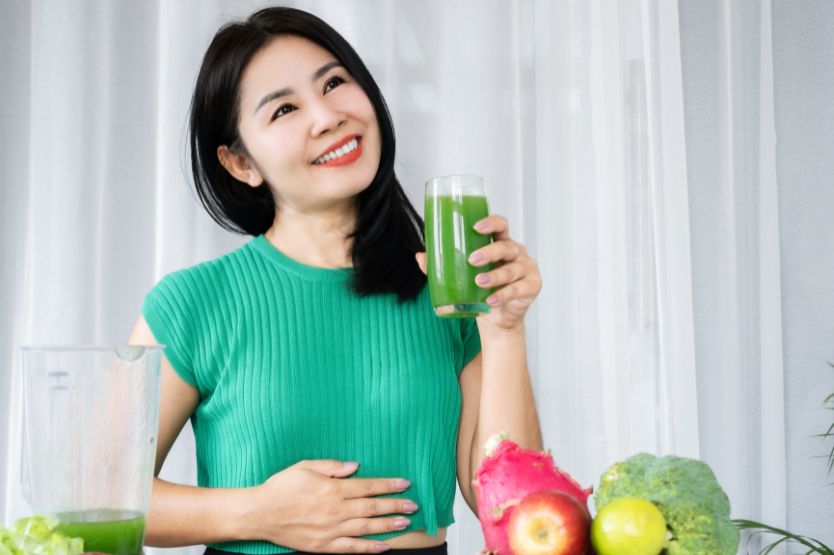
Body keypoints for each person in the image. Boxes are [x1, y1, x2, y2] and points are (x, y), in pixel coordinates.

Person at [128, 7, 543, 555]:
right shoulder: (192, 304)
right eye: (284, 109)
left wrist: (504, 330)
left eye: (334, 83)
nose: (326, 116)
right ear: (240, 163)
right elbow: (99, 497)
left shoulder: (444, 291)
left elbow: (515, 519)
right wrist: (262, 513)